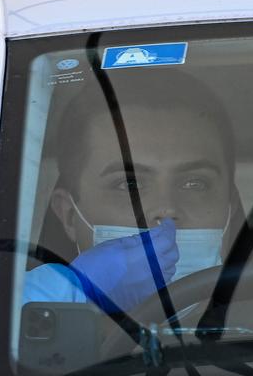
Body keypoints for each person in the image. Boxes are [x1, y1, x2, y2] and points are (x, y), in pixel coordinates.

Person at [24, 67, 240, 315]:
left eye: (194, 184)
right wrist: (73, 291)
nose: (166, 210)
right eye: (129, 185)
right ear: (69, 215)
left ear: (229, 210)